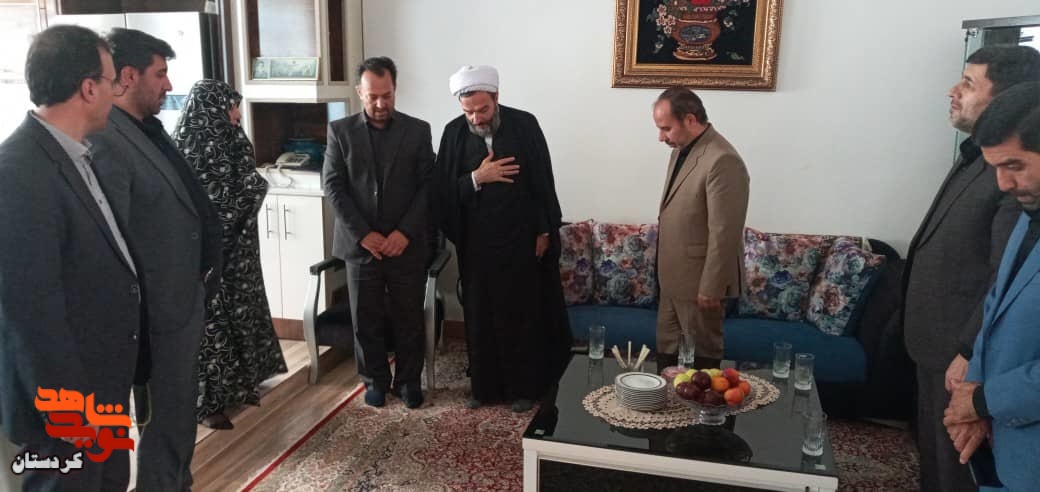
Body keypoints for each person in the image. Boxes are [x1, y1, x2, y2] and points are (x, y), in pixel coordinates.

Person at [0, 25, 140, 491]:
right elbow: (29, 312)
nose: (115, 93)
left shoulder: (79, 155)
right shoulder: (17, 172)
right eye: (111, 81)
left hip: (102, 389)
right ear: (88, 88)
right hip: (67, 409)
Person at [88, 28, 221, 491]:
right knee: (163, 423)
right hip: (155, 316)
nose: (168, 85)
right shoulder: (108, 140)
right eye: (160, 74)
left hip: (180, 305)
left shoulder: (146, 128)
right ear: (128, 76)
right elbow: (115, 243)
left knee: (177, 418)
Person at [903, 45, 1040, 492]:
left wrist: (974, 374)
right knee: (939, 467)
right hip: (954, 357)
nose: (953, 91)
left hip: (982, 374)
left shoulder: (1023, 192)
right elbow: (1000, 290)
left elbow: (998, 282)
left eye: (968, 83)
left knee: (956, 473)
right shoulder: (984, 162)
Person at [435, 65, 572, 413]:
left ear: (496, 97)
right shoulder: (453, 134)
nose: (476, 118)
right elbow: (442, 192)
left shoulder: (525, 125)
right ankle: (484, 388)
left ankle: (524, 388)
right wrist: (476, 178)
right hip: (477, 245)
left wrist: (544, 230)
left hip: (521, 240)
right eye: (469, 111)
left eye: (483, 109)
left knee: (521, 315)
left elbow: (542, 181)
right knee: (480, 316)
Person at [171, 79, 287, 429]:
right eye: (232, 106)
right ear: (213, 109)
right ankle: (208, 404)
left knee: (242, 314)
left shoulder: (227, 136)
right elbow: (213, 202)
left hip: (239, 251)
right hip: (209, 255)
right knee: (213, 328)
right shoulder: (191, 145)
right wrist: (255, 187)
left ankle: (240, 386)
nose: (237, 113)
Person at [943, 81, 1040, 492]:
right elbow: (996, 309)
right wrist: (973, 401)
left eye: (1014, 165)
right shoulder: (1029, 211)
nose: (1003, 184)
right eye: (995, 167)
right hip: (1007, 449)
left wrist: (984, 400)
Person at [323, 57, 434, 408]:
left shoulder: (418, 131)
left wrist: (404, 232)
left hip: (405, 245)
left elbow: (429, 187)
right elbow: (333, 186)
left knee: (408, 319)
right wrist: (363, 234)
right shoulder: (340, 132)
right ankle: (374, 381)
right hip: (361, 247)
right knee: (365, 320)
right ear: (360, 92)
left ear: (395, 89)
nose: (381, 104)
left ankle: (408, 382)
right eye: (373, 97)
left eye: (387, 95)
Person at [651, 87, 749, 370]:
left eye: (666, 128)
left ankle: (704, 405)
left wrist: (711, 287)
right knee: (667, 361)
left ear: (690, 119)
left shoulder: (722, 159)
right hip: (672, 280)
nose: (661, 137)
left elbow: (724, 231)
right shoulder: (681, 150)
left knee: (702, 365)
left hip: (700, 284)